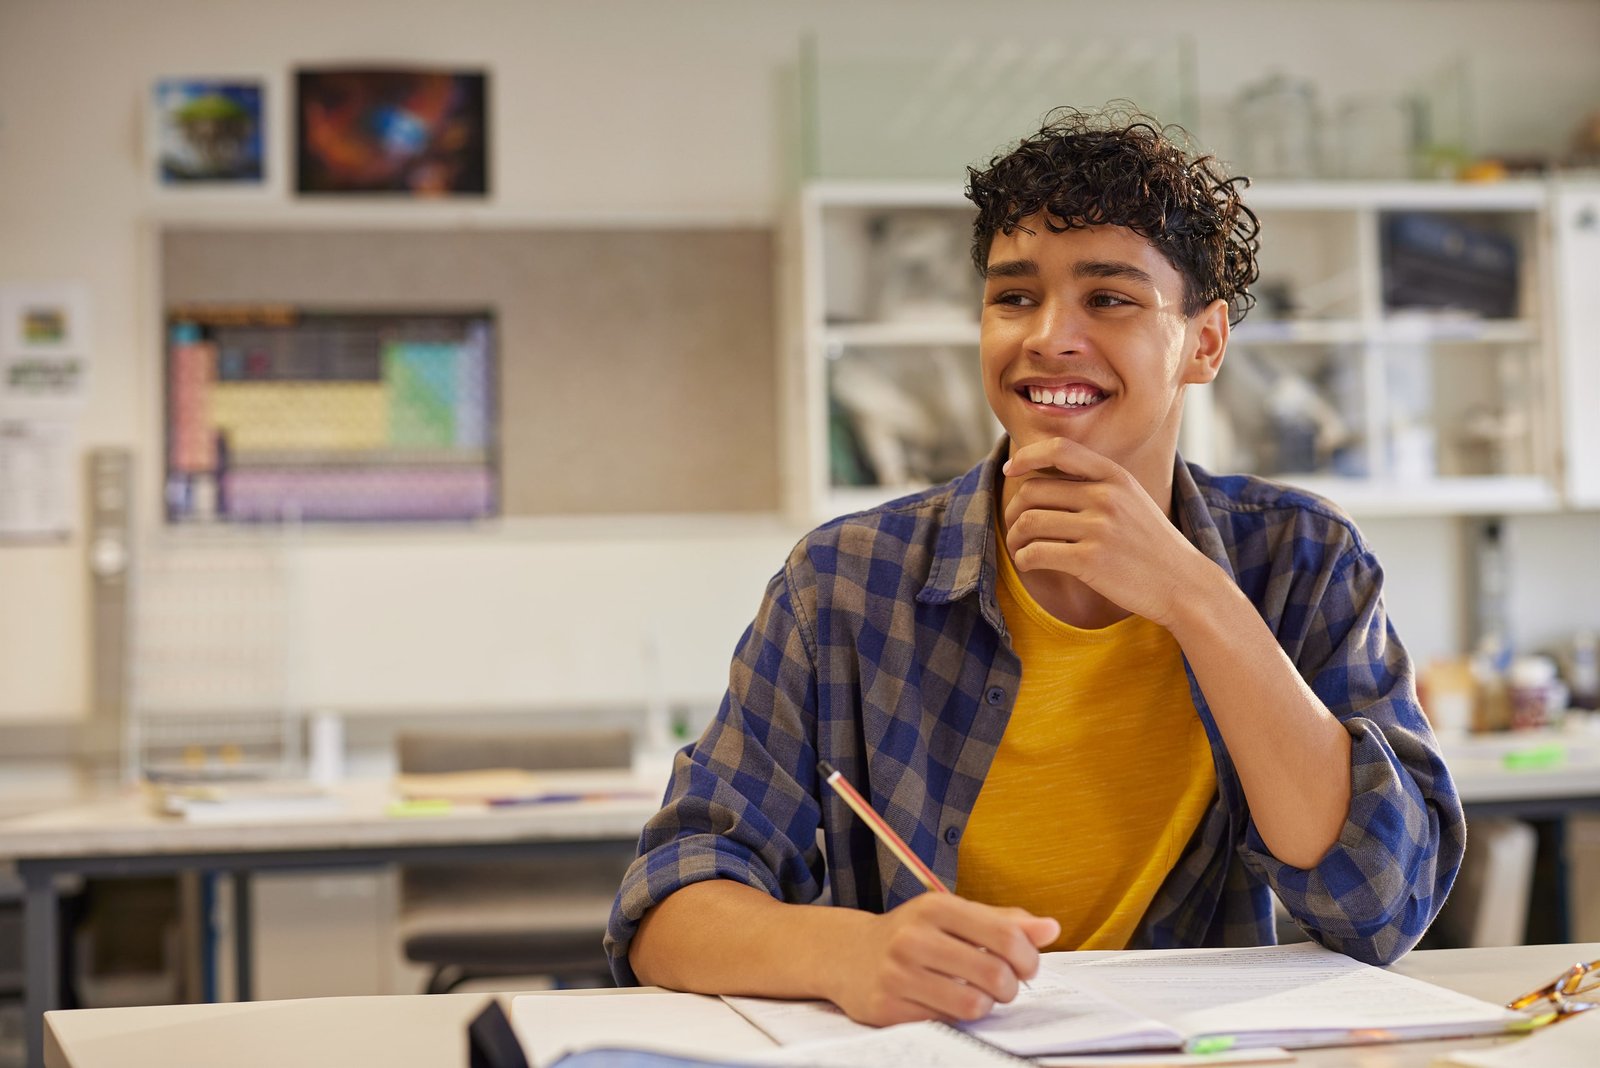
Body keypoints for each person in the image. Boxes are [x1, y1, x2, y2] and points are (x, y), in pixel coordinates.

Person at [605, 105, 1465, 1027]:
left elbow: (1380, 902)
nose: (1050, 335)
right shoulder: (844, 584)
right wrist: (851, 952)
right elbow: (665, 910)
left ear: (1204, 343)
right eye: (1014, 297)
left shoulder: (1301, 558)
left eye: (1110, 298)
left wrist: (1193, 596)